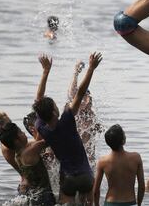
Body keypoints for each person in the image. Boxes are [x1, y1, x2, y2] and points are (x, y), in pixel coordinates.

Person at [33, 52, 102, 205]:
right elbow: (79, 93)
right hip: (85, 176)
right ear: (54, 112)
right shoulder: (67, 120)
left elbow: (38, 100)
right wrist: (91, 68)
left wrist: (45, 72)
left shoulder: (41, 127)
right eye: (55, 106)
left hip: (67, 178)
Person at [0, 55, 53, 194]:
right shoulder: (9, 146)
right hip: (31, 186)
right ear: (1, 129)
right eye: (9, 123)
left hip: (29, 185)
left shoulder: (10, 144)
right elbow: (41, 144)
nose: (13, 126)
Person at [0, 122, 56, 205]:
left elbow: (34, 146)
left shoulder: (18, 154)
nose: (24, 133)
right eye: (21, 132)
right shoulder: (31, 150)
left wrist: (37, 136)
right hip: (44, 196)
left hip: (32, 194)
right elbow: (51, 139)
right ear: (17, 141)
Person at [93, 124, 145, 206]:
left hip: (110, 202)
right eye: (124, 133)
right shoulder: (136, 158)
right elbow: (141, 187)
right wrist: (139, 204)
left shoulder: (103, 161)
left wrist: (96, 205)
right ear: (123, 140)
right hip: (130, 202)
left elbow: (96, 190)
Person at [67, 60, 104, 171]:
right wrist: (76, 73)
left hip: (89, 162)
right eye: (85, 97)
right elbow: (72, 93)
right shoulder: (75, 113)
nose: (88, 100)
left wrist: (98, 128)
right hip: (75, 160)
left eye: (89, 97)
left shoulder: (91, 115)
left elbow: (98, 130)